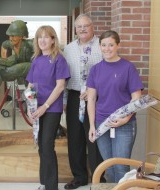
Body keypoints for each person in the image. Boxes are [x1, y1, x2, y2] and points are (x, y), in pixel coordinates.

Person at [87, 30, 143, 183]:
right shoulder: (95, 70)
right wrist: (92, 126)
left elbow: (136, 98)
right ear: (100, 46)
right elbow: (91, 99)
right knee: (109, 168)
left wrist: (125, 119)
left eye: (111, 45)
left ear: (118, 45)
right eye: (104, 45)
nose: (107, 48)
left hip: (124, 124)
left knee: (121, 168)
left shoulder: (128, 68)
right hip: (102, 124)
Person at [63, 14, 105, 189]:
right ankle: (79, 177)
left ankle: (98, 178)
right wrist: (65, 100)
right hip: (74, 96)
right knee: (75, 138)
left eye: (85, 26)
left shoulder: (102, 46)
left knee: (94, 138)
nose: (82, 29)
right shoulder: (69, 48)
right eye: (79, 27)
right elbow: (64, 77)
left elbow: (107, 72)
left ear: (92, 26)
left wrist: (94, 91)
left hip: (96, 97)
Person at [26, 25, 70, 190]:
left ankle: (52, 187)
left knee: (47, 144)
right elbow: (31, 85)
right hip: (37, 108)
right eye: (39, 37)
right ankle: (44, 183)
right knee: (41, 145)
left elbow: (59, 87)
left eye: (46, 37)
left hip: (51, 108)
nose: (42, 40)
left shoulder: (59, 59)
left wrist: (44, 106)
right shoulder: (36, 60)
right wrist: (30, 107)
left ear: (53, 40)